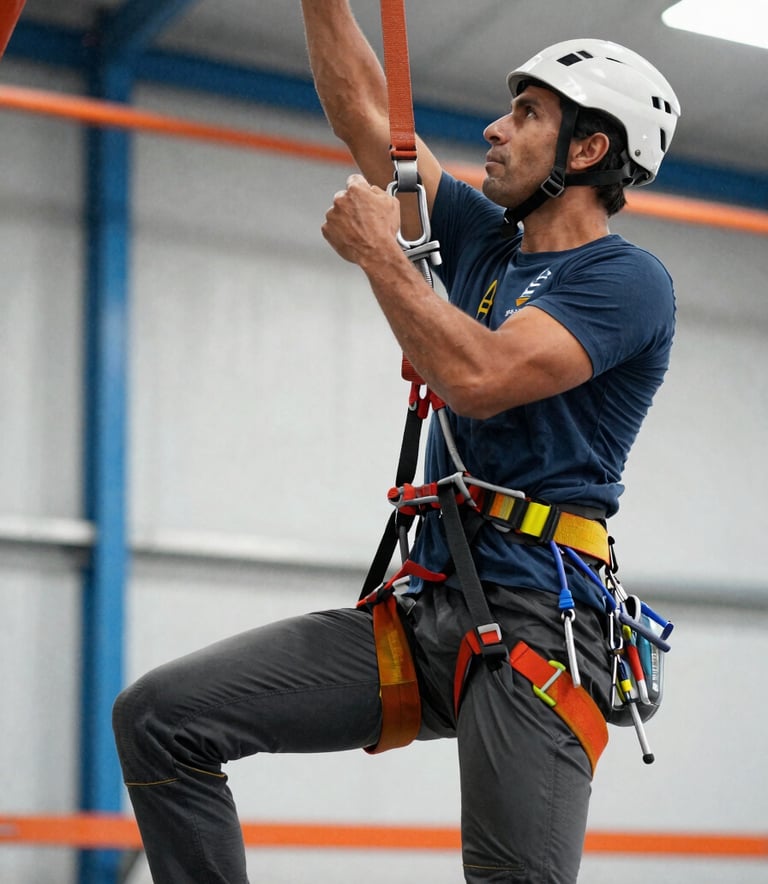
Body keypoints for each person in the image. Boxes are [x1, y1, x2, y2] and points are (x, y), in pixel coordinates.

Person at [112, 2, 681, 881]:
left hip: (537, 618)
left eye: (527, 114)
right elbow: (371, 120)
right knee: (161, 717)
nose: (495, 127)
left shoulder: (626, 280)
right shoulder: (485, 243)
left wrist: (385, 257)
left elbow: (482, 377)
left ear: (588, 150)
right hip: (429, 604)